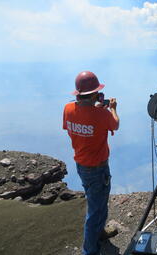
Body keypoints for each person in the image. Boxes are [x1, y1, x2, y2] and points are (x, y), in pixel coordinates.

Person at [63, 71, 119, 255]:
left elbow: (79, 122)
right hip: (97, 167)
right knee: (95, 210)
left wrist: (95, 110)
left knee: (98, 202)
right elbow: (115, 125)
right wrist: (112, 108)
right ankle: (89, 251)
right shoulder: (102, 115)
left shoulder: (68, 108)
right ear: (95, 93)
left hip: (81, 164)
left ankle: (100, 233)